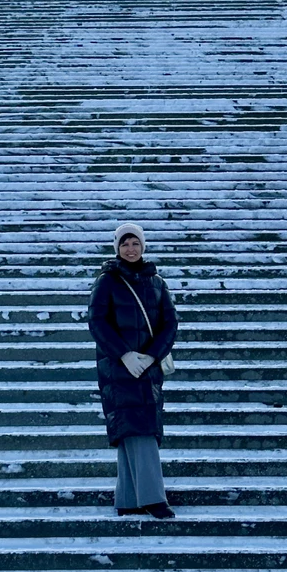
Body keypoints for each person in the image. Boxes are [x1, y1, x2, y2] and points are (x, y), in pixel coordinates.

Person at [87, 222, 178, 519]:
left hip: (148, 368)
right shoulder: (107, 281)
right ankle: (153, 497)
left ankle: (127, 497)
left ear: (143, 246)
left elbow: (170, 323)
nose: (130, 248)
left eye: (135, 243)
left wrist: (152, 356)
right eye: (125, 243)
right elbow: (97, 322)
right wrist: (124, 354)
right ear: (117, 247)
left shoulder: (156, 282)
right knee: (139, 428)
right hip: (119, 367)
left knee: (137, 427)